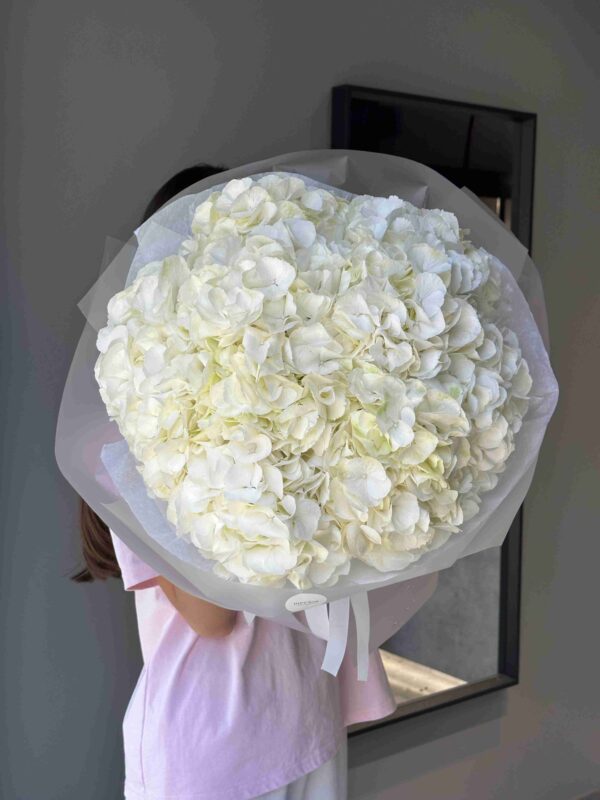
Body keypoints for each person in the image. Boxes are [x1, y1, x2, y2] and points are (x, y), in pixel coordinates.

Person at [71, 163, 397, 800]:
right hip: (210, 754)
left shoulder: (311, 402)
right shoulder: (133, 434)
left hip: (307, 726)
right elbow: (211, 616)